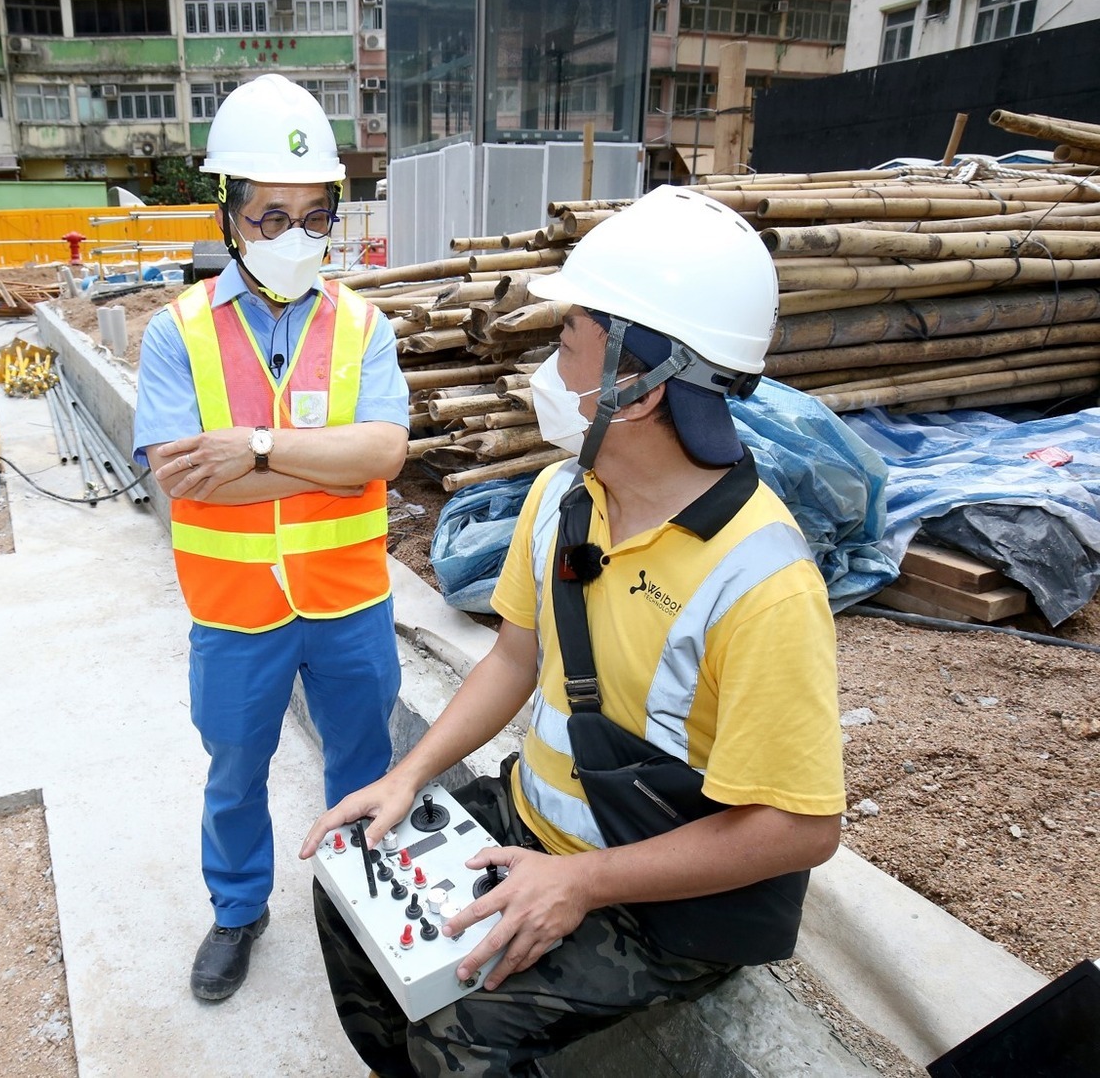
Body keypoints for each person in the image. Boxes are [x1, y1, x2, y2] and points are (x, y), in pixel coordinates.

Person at [300, 184, 847, 1075]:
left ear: (640, 379)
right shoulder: (564, 499)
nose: (549, 371)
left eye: (567, 343)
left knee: (461, 1038)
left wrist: (583, 883)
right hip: (541, 821)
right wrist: (408, 776)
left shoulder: (762, 581)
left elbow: (800, 830)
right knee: (345, 884)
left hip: (659, 888)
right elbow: (516, 655)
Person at [132, 73, 411, 1003]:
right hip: (237, 612)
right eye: (270, 217)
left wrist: (251, 451)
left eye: (315, 216)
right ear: (228, 216)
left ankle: (362, 902)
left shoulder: (364, 324)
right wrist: (332, 460)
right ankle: (239, 907)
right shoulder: (177, 334)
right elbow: (179, 474)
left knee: (364, 765)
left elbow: (384, 456)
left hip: (350, 605)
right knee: (235, 771)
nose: (295, 237)